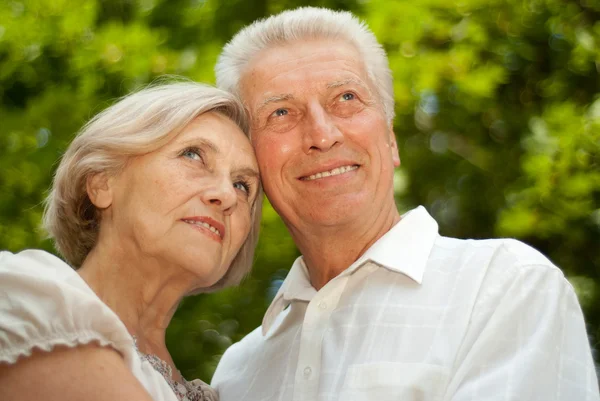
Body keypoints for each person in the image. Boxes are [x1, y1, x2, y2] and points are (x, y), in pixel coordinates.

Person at [211, 7, 600, 401]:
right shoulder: (236, 373)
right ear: (250, 162)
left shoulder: (506, 286)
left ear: (391, 139)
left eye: (346, 97)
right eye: (281, 113)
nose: (322, 135)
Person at [0, 82, 263, 401]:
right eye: (193, 155)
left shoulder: (222, 391)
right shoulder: (22, 298)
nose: (225, 195)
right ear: (101, 183)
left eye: (242, 185)